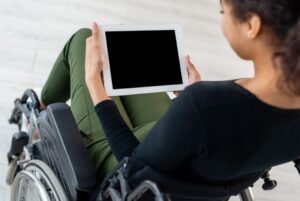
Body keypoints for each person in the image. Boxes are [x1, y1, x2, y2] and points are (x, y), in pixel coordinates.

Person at [41, 0, 300, 184]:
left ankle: (43, 108)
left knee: (82, 39)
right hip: (195, 163)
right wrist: (193, 94)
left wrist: (95, 86)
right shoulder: (210, 103)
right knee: (120, 58)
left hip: (131, 176)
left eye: (223, 10)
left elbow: (130, 164)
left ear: (251, 25)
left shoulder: (204, 104)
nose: (222, 19)